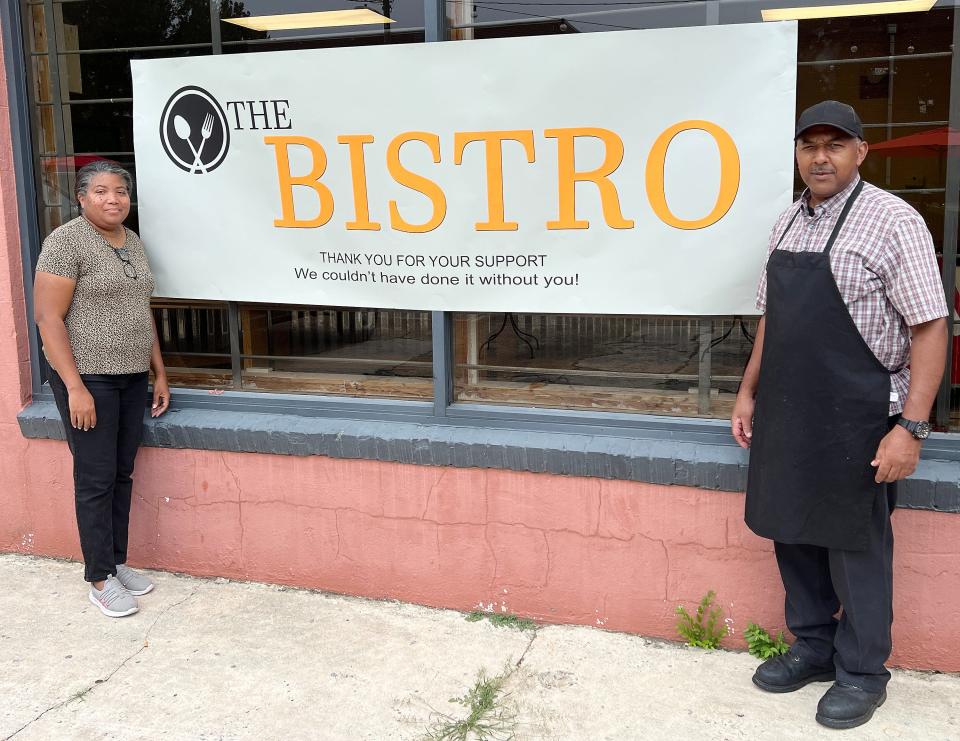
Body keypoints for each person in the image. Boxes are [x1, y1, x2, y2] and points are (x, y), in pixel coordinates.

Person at [731, 101, 948, 730]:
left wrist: (911, 426)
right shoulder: (787, 224)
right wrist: (748, 393)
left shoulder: (893, 221)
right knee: (790, 531)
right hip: (790, 409)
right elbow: (772, 320)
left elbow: (931, 328)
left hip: (863, 414)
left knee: (855, 547)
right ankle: (814, 646)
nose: (819, 157)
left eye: (834, 144)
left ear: (860, 152)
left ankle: (862, 670)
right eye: (808, 146)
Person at [34, 160, 170, 618]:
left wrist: (159, 372)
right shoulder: (65, 242)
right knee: (95, 478)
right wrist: (74, 387)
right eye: (101, 191)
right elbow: (47, 319)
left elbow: (141, 308)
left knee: (122, 472)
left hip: (132, 376)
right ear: (81, 197)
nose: (113, 199)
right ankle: (98, 577)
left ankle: (115, 560)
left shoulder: (130, 241)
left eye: (120, 192)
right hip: (88, 377)